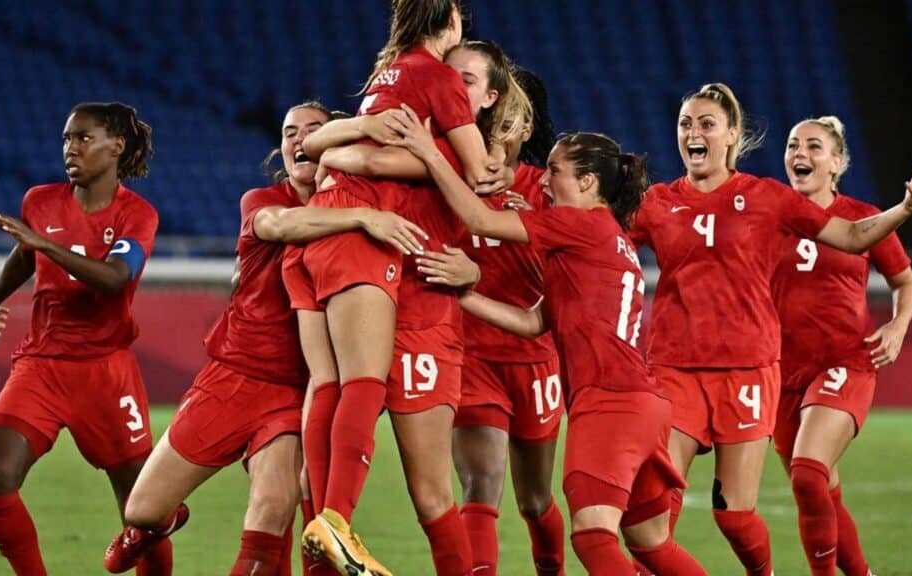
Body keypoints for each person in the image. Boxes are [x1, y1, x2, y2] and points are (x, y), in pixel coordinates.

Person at [627, 82, 912, 575]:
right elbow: (601, 241)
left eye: (707, 123)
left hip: (762, 370)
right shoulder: (656, 203)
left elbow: (857, 239)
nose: (693, 132)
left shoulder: (768, 200)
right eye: (686, 123)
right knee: (649, 512)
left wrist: (905, 210)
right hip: (679, 368)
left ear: (732, 134)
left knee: (748, 509)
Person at [102, 102, 425, 576]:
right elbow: (279, 226)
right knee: (142, 509)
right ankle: (158, 522)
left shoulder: (368, 208)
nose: (300, 139)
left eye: (314, 130)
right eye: (290, 132)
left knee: (272, 512)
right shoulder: (262, 200)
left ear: (338, 142)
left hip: (295, 392)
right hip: (234, 375)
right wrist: (362, 218)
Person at [387, 109, 710, 573]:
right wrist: (464, 296)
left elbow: (478, 217)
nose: (540, 183)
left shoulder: (580, 224)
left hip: (609, 404)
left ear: (587, 183)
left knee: (594, 536)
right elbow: (534, 321)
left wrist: (426, 152)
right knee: (649, 541)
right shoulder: (609, 238)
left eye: (555, 171)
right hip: (643, 403)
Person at [287, 3, 502, 571]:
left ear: (497, 101)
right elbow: (473, 178)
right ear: (451, 18)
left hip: (414, 298)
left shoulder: (392, 77)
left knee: (339, 392)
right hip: (373, 254)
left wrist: (350, 148)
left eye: (473, 79)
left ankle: (327, 525)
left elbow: (473, 201)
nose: (461, 82)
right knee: (357, 385)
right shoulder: (435, 84)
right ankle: (331, 523)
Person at [0, 102, 169, 575]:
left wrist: (46, 244)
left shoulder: (137, 215)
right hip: (41, 364)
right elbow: (25, 257)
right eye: (67, 139)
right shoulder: (40, 201)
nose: (71, 148)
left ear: (116, 146)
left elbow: (114, 278)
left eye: (83, 138)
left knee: (143, 512)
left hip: (106, 371)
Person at [772, 116, 912, 576]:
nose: (800, 154)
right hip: (778, 373)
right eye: (794, 144)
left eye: (814, 147)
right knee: (820, 489)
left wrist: (898, 324)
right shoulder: (767, 214)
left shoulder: (861, 217)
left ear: (836, 163)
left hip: (844, 362)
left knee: (808, 472)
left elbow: (904, 283)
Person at [451, 61, 566, 576]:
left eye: (504, 126)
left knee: (536, 501)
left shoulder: (549, 191)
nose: (491, 135)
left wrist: (539, 229)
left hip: (535, 359)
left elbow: (572, 278)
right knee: (481, 484)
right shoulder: (449, 183)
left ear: (524, 128)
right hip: (472, 355)